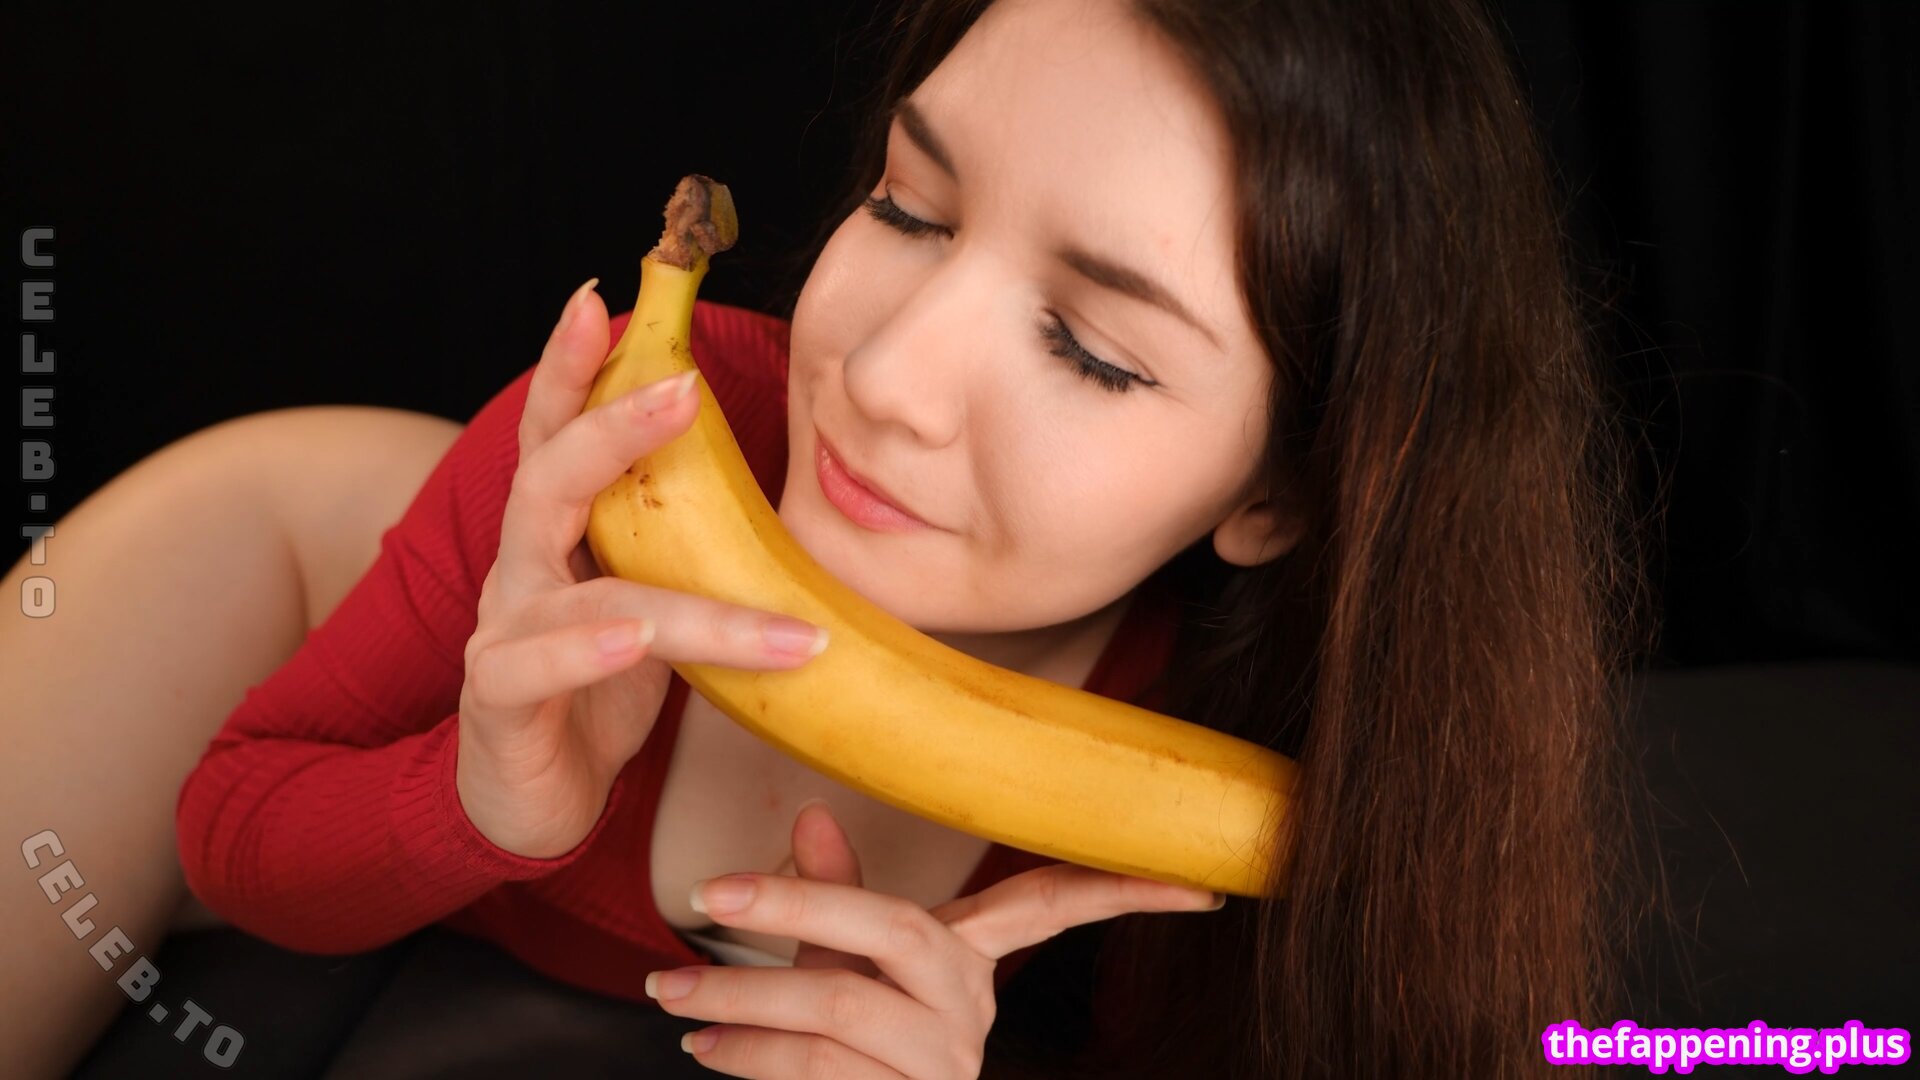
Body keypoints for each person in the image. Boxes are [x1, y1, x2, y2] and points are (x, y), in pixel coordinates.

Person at [2, 0, 1651, 1075]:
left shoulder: (1198, 798)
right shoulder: (624, 445)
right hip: (287, 558)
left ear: (1276, 495)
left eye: (1091, 350)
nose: (883, 373)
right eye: (908, 208)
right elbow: (233, 832)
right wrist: (474, 800)